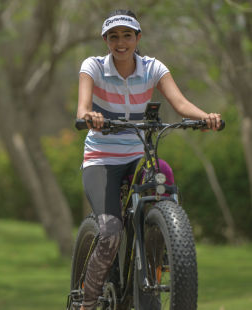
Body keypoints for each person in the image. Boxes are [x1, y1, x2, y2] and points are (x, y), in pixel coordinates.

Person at [75, 9, 221, 310]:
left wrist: (205, 117)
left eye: (127, 35)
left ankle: (161, 255)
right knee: (110, 233)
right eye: (113, 36)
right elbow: (82, 108)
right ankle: (87, 303)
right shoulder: (94, 67)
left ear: (137, 38)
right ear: (105, 40)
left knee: (164, 177)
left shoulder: (153, 68)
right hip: (101, 159)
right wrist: (89, 116)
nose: (120, 42)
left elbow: (180, 104)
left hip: (137, 154)